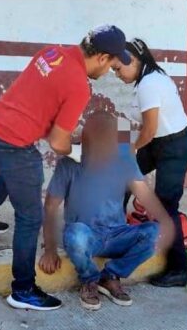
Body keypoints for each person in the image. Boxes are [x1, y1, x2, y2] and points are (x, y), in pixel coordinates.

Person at [0, 25, 132, 311]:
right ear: (102, 57)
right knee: (30, 218)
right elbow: (57, 143)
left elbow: (40, 97)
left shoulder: (52, 52)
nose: (107, 73)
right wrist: (77, 151)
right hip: (14, 144)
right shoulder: (80, 85)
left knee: (16, 173)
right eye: (112, 66)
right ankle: (24, 290)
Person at [39, 112, 174, 310]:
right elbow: (50, 206)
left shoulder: (124, 162)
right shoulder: (70, 164)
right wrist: (50, 250)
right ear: (85, 138)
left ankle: (110, 276)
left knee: (156, 232)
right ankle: (90, 279)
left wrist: (165, 222)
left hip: (117, 234)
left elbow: (144, 195)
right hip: (86, 235)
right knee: (75, 235)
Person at [113, 38, 187, 287]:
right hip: (159, 143)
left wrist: (128, 149)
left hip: (175, 146)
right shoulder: (143, 82)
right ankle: (115, 232)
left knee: (165, 205)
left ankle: (179, 270)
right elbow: (128, 121)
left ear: (134, 61)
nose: (117, 74)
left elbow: (147, 130)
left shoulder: (151, 83)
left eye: (118, 69)